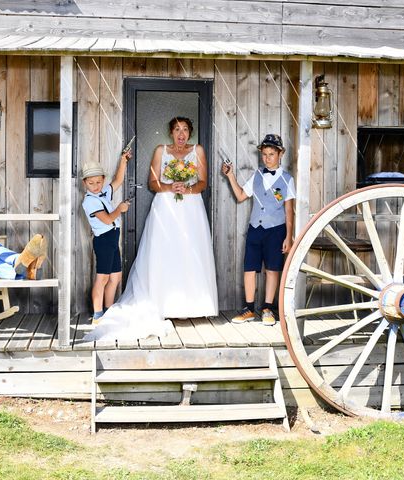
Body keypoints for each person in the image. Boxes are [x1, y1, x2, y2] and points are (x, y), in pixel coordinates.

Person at [87, 117, 218, 340]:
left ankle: (193, 305)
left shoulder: (198, 150)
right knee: (164, 251)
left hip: (191, 208)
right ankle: (162, 302)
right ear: (171, 132)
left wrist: (188, 188)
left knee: (190, 251)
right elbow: (152, 182)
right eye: (177, 129)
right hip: (166, 206)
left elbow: (203, 182)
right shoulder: (161, 150)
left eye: (185, 129)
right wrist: (169, 186)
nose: (181, 133)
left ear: (190, 133)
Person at [222, 134, 295, 326]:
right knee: (250, 268)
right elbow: (240, 196)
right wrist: (230, 175)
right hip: (256, 229)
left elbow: (289, 210)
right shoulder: (256, 176)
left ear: (281, 154)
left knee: (272, 269)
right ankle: (249, 309)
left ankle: (267, 309)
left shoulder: (288, 180)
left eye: (271, 154)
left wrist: (289, 236)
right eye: (264, 154)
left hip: (276, 230)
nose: (267, 158)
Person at [81, 151, 131, 324]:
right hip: (103, 241)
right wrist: (120, 209)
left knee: (115, 277)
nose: (96, 186)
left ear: (102, 180)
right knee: (102, 278)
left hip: (112, 240)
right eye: (91, 183)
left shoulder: (103, 193)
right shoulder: (89, 202)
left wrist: (123, 161)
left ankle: (109, 310)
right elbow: (108, 219)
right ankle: (97, 314)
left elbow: (117, 180)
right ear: (85, 183)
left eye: (99, 182)